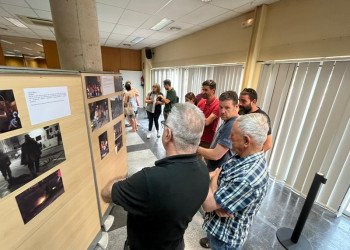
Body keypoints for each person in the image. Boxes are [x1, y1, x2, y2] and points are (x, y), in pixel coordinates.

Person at [101, 103, 209, 250]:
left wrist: (127, 181)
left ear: (168, 134)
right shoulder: (203, 171)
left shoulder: (149, 180)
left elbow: (107, 193)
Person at [200, 113, 269, 250]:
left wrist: (212, 183)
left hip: (224, 240)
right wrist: (217, 200)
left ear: (246, 141)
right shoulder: (242, 156)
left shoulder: (247, 178)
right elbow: (217, 173)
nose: (229, 137)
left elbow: (208, 205)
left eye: (233, 134)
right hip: (218, 229)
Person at [198, 91, 239, 172]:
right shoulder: (228, 121)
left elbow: (216, 155)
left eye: (227, 108)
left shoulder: (232, 125)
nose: (222, 111)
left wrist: (195, 147)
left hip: (219, 174)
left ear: (236, 107)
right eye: (220, 107)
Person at [197, 80, 220, 160]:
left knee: (209, 163)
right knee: (196, 160)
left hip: (208, 139)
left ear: (213, 90)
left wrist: (197, 118)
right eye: (202, 89)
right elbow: (194, 115)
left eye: (206, 90)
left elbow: (207, 122)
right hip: (198, 136)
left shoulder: (217, 104)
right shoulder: (202, 102)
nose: (203, 92)